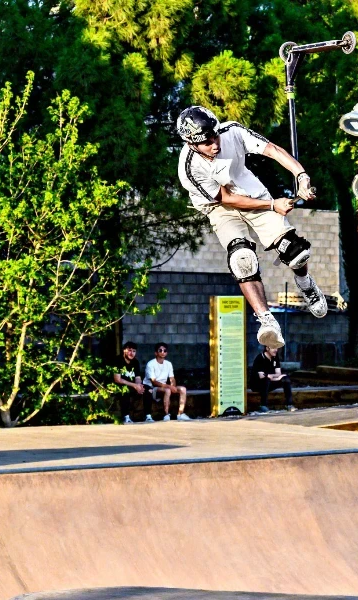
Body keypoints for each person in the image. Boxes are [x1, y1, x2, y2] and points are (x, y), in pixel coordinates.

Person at [176, 106, 327, 350]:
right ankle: (267, 320)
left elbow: (274, 151)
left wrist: (301, 175)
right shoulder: (189, 168)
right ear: (191, 143)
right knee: (242, 258)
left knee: (296, 252)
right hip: (220, 208)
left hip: (251, 192)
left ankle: (306, 283)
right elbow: (226, 199)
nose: (214, 144)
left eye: (214, 136)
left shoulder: (232, 131)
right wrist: (272, 204)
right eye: (206, 142)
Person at [143, 343, 190, 421]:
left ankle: (180, 414)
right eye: (160, 350)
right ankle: (166, 414)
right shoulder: (150, 364)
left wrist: (173, 386)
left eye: (165, 350)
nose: (163, 352)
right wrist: (169, 387)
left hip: (164, 386)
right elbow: (154, 382)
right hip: (152, 387)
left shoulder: (168, 364)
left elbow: (172, 378)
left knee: (183, 389)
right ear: (156, 353)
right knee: (167, 390)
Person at [112, 341, 153, 424]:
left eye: (134, 351)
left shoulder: (135, 362)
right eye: (129, 350)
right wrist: (134, 385)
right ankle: (126, 417)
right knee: (125, 390)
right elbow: (117, 379)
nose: (132, 353)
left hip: (131, 385)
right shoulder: (118, 360)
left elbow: (137, 377)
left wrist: (139, 386)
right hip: (118, 385)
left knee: (148, 390)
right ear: (124, 350)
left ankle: (148, 416)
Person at [251, 346, 295, 413]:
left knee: (285, 379)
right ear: (267, 348)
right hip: (258, 384)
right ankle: (263, 405)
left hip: (270, 382)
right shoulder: (260, 358)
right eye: (273, 348)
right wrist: (274, 377)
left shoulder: (275, 357)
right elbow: (261, 376)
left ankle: (289, 405)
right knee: (266, 380)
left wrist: (276, 377)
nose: (276, 350)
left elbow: (278, 373)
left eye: (276, 348)